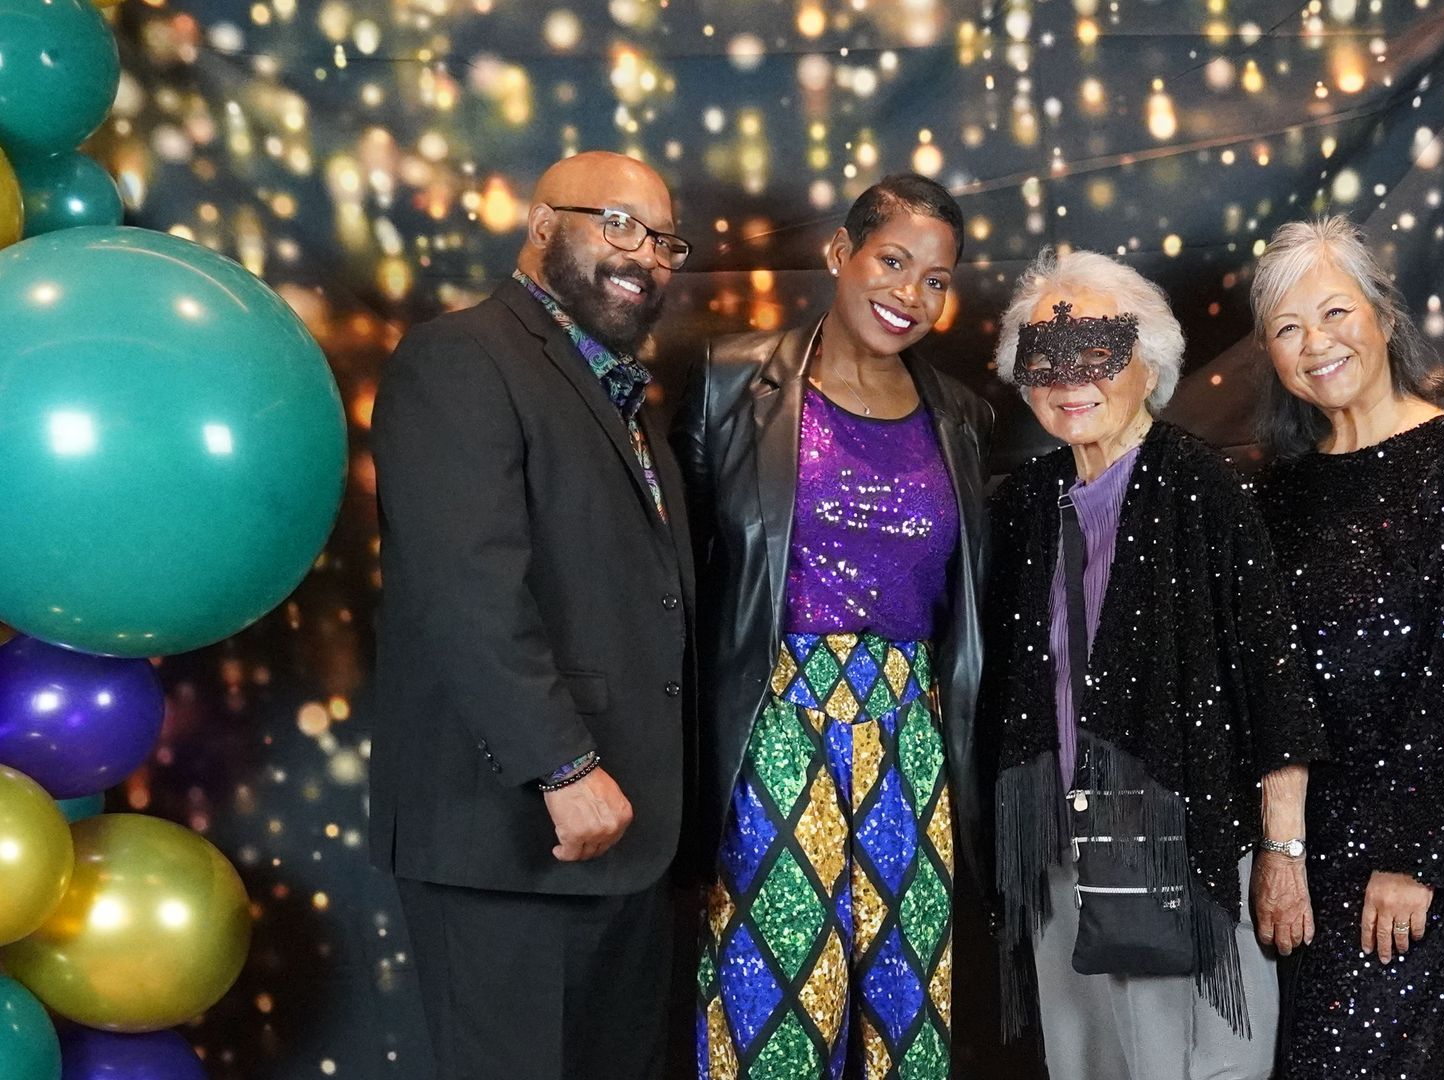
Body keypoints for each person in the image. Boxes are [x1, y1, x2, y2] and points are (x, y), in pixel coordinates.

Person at [368, 151, 696, 1080]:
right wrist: (564, 765)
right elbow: (465, 589)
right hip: (511, 833)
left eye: (664, 241)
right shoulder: (460, 358)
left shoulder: (624, 395)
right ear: (543, 223)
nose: (646, 255)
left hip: (628, 841)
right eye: (619, 225)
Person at [673, 173, 992, 1079]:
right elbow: (679, 581)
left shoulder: (963, 417)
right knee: (773, 1005)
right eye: (892, 262)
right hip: (775, 732)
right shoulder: (732, 381)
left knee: (907, 1012)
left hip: (913, 743)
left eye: (935, 280)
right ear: (839, 252)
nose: (910, 294)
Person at [979, 248, 1326, 1080]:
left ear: (1151, 364)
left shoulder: (1202, 488)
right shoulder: (1024, 503)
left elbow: (1275, 686)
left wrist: (1283, 856)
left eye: (1097, 352)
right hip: (1059, 853)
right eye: (1044, 357)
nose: (1070, 379)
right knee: (1087, 1064)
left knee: (1196, 1064)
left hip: (1180, 846)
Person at [1246, 215, 1444, 1078]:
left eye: (1335, 313)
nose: (1317, 344)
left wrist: (1413, 858)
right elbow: (1264, 682)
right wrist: (1279, 848)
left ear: (1384, 317)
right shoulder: (1281, 495)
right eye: (1288, 329)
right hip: (1293, 858)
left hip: (1412, 859)